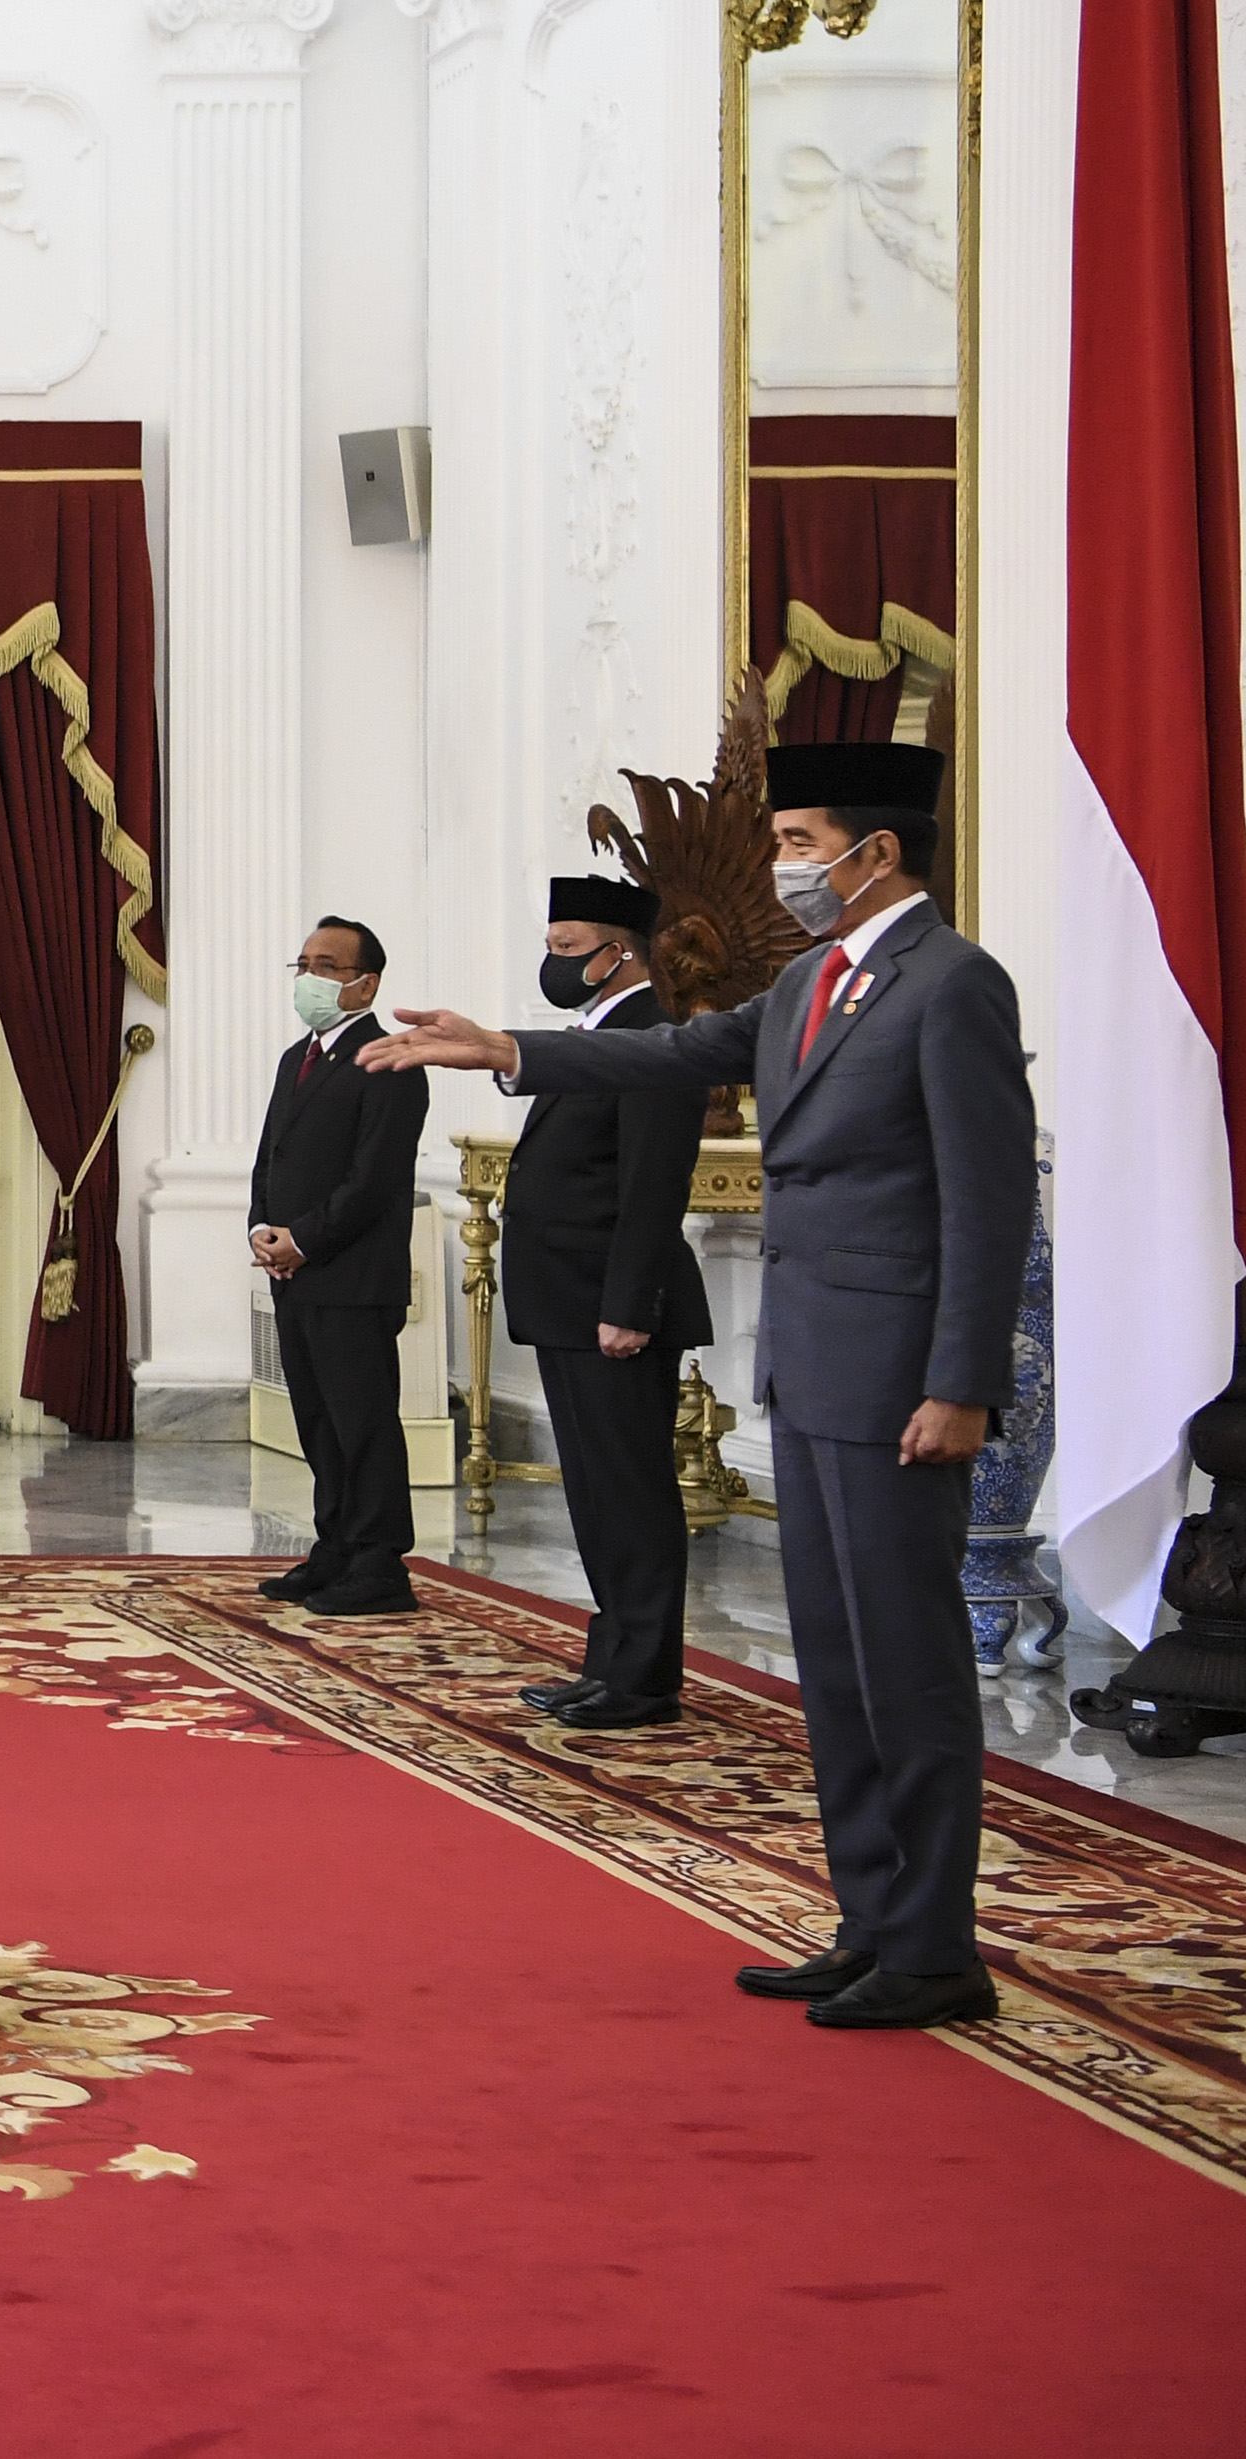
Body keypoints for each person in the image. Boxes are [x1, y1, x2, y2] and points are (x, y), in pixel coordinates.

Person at [363, 745, 1031, 2030]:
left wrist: (963, 1383)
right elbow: (670, 1056)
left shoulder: (952, 986)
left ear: (872, 853)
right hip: (817, 1363)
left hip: (903, 1380)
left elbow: (988, 1202)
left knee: (907, 1661)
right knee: (835, 1665)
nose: (784, 867)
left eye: (795, 840)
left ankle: (936, 1946)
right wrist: (504, 1044)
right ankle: (871, 1922)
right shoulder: (805, 989)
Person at [498, 875, 711, 1730]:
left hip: (614, 1310)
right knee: (593, 1493)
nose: (553, 963)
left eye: (566, 948)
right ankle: (612, 1660)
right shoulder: (593, 1033)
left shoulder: (655, 1039)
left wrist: (629, 1304)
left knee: (631, 1492)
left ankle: (647, 1677)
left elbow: (653, 1186)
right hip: (568, 1305)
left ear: (617, 952)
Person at [249, 916, 433, 1619]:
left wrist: (306, 1240)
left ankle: (380, 1560)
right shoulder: (298, 1056)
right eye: (303, 963)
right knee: (318, 1420)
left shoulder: (389, 1059)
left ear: (365, 982)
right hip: (296, 1274)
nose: (310, 978)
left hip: (352, 1275)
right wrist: (263, 1227)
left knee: (363, 1422)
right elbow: (272, 1154)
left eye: (327, 965)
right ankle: (336, 1545)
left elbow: (374, 1180)